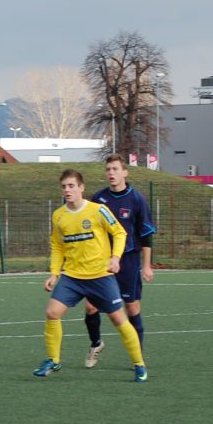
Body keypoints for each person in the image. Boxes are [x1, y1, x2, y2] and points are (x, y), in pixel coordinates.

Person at [33, 169, 148, 383]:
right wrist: (54, 273)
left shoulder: (98, 210)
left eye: (71, 186)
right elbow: (57, 246)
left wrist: (115, 258)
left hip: (100, 276)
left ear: (81, 188)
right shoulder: (59, 215)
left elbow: (120, 233)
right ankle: (53, 360)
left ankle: (139, 364)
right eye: (64, 186)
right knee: (52, 312)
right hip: (73, 277)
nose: (67, 190)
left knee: (118, 318)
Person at [82, 154, 156, 368]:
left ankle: (137, 357)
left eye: (115, 169)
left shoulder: (137, 199)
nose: (111, 173)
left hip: (129, 261)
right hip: (102, 261)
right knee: (90, 307)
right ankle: (96, 344)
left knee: (131, 308)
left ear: (125, 172)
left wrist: (147, 265)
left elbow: (146, 234)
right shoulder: (98, 198)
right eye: (108, 169)